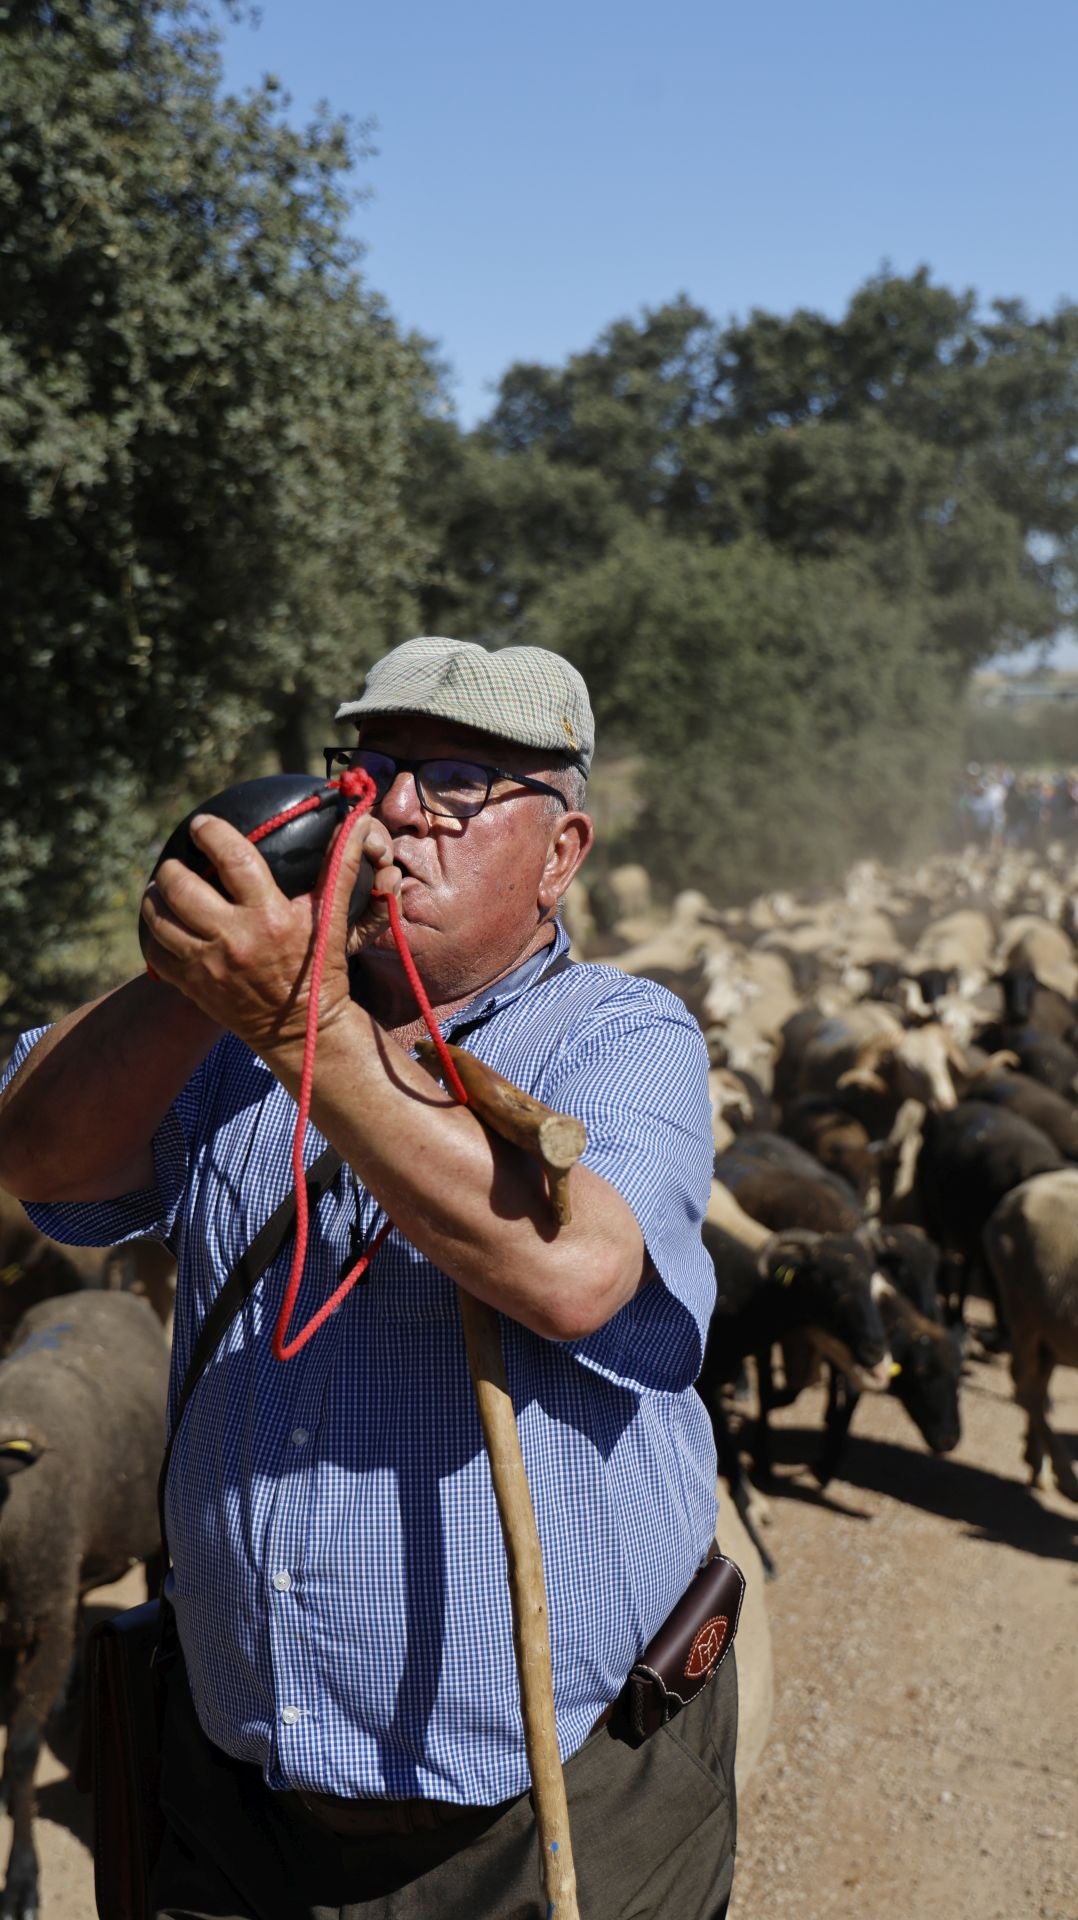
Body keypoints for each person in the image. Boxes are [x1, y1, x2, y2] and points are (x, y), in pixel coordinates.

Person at [0, 637, 734, 1920]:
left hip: (540, 1807)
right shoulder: (225, 1037)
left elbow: (569, 1272)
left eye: (457, 782)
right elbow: (36, 1152)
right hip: (240, 1792)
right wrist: (196, 976)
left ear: (561, 852)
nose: (397, 812)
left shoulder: (618, 1036)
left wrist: (301, 1029)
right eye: (372, 772)